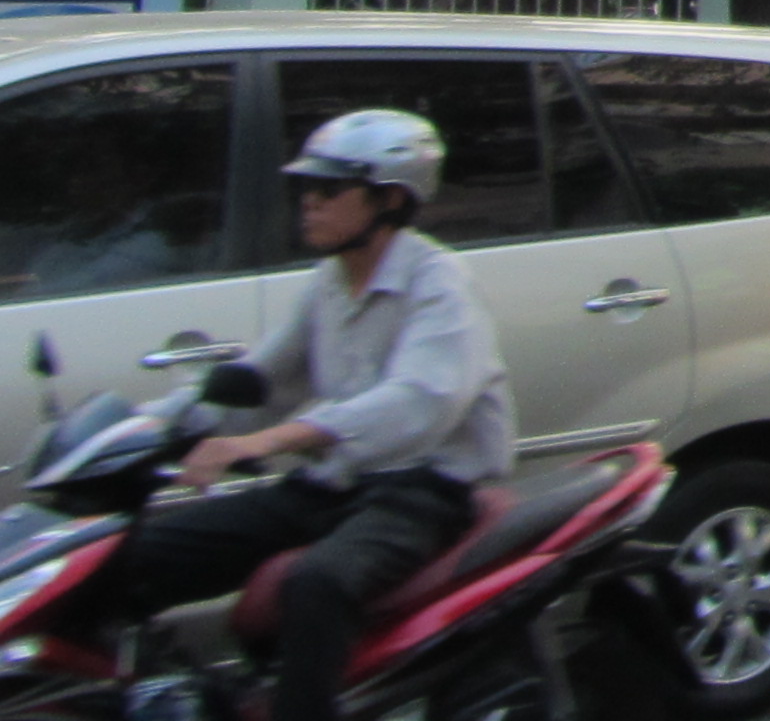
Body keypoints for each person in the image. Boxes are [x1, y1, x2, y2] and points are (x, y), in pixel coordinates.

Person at [106, 113, 513, 721]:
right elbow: (262, 379)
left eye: (327, 190)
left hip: (422, 492)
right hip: (332, 487)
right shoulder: (329, 281)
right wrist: (143, 431)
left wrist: (263, 443)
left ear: (390, 199)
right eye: (306, 189)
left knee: (318, 584)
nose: (309, 204)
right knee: (133, 556)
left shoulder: (439, 284)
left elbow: (419, 403)